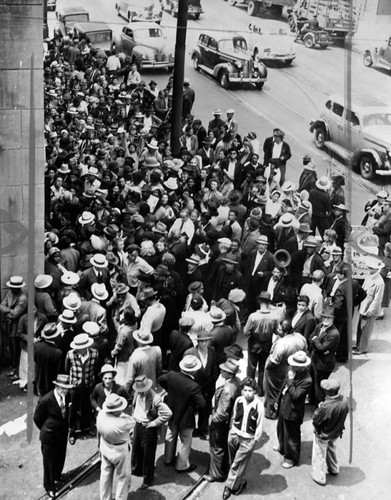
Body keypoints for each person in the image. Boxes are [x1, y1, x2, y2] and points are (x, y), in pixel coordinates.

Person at [158, 354, 206, 472]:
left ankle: (168, 458)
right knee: (185, 441)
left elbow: (160, 380)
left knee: (170, 435)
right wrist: (193, 408)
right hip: (186, 417)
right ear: (194, 370)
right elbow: (202, 404)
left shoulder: (171, 376)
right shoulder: (193, 386)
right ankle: (181, 465)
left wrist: (170, 391)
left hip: (172, 412)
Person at [223, 377, 264, 499]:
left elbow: (259, 426)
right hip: (235, 435)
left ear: (255, 391)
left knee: (237, 463)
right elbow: (234, 416)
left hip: (247, 439)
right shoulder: (239, 401)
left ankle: (230, 487)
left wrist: (254, 441)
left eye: (250, 391)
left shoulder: (259, 406)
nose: (247, 393)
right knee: (234, 461)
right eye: (245, 390)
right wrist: (231, 431)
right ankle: (240, 480)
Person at [34, 374, 73, 498]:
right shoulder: (45, 400)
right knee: (49, 463)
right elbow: (37, 418)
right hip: (49, 436)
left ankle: (57, 476)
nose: (65, 391)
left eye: (67, 388)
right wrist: (47, 429)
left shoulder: (69, 396)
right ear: (56, 386)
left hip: (62, 433)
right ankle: (49, 486)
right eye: (62, 388)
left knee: (60, 457)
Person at [131, 375, 172, 489]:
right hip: (137, 424)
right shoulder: (136, 393)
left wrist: (153, 424)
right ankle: (137, 470)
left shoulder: (155, 398)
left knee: (148, 455)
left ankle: (147, 479)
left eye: (143, 390)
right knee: (136, 450)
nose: (141, 392)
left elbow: (167, 413)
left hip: (147, 428)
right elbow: (134, 407)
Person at [204, 358, 241, 483]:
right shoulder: (236, 382)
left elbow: (222, 413)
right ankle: (223, 468)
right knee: (222, 447)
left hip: (220, 425)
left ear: (229, 374)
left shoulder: (227, 390)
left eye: (224, 370)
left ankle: (216, 474)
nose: (221, 371)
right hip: (228, 423)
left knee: (216, 447)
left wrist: (212, 420)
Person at [275, 350, 312, 469]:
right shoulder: (291, 371)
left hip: (293, 410)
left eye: (296, 366)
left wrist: (291, 380)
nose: (293, 366)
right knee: (281, 428)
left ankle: (291, 457)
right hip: (283, 404)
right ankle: (282, 446)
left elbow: (296, 395)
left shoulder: (307, 380)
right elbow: (283, 386)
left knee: (291, 435)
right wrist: (277, 400)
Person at [264, 319, 307, 420]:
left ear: (286, 332)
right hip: (293, 369)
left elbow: (274, 362)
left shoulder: (281, 344)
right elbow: (305, 351)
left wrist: (267, 368)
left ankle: (271, 412)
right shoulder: (300, 337)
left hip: (277, 371)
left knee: (272, 392)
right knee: (283, 391)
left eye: (279, 330)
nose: (277, 331)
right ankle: (281, 410)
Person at [310, 378, 349, 486]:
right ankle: (334, 468)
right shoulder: (344, 401)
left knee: (320, 454)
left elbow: (315, 419)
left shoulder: (325, 407)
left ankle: (319, 476)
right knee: (332, 449)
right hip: (336, 432)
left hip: (324, 434)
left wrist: (319, 408)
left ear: (329, 392)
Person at [96, 394, 135, 500]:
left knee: (105, 475)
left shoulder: (100, 415)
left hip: (105, 447)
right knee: (123, 477)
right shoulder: (123, 423)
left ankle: (105, 498)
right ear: (115, 410)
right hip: (119, 451)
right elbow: (132, 421)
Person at [65, 333, 99, 444]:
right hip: (74, 387)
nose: (79, 350)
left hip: (88, 386)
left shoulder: (94, 354)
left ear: (86, 347)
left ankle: (86, 428)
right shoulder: (70, 354)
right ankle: (72, 431)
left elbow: (95, 369)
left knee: (86, 408)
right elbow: (66, 370)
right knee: (73, 410)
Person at [244, 292, 279, 395]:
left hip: (254, 343)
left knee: (251, 367)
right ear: (269, 303)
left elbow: (246, 333)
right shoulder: (274, 316)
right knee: (263, 367)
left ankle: (249, 388)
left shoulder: (253, 316)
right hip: (267, 344)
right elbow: (277, 331)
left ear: (259, 301)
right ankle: (260, 391)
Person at [354, 256, 385, 355]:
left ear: (376, 269)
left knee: (366, 329)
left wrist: (370, 311)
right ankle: (359, 344)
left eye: (371, 268)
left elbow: (377, 300)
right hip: (363, 305)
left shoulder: (379, 282)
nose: (369, 269)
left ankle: (363, 348)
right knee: (360, 327)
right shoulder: (369, 275)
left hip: (369, 309)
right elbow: (363, 288)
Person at [309, 308, 340, 405]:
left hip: (324, 364)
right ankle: (312, 400)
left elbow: (322, 347)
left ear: (333, 319)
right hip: (315, 359)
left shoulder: (334, 333)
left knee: (320, 387)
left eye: (329, 318)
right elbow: (310, 337)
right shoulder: (319, 326)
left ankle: (320, 407)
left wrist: (316, 341)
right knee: (313, 382)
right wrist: (316, 343)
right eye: (324, 317)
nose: (326, 320)